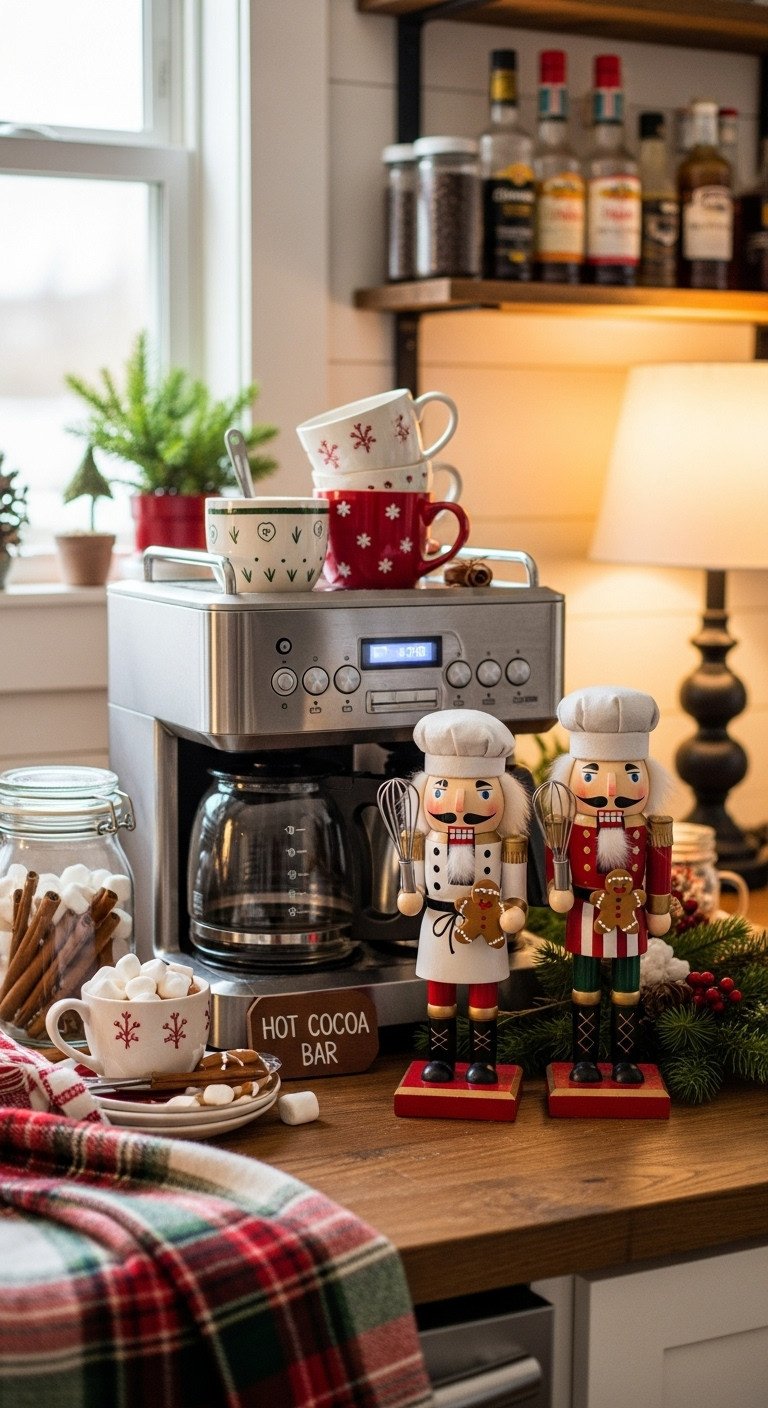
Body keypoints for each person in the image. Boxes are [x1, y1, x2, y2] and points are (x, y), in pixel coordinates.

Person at [544, 685, 673, 1085]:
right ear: (571, 776)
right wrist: (557, 886)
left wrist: (659, 907)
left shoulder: (651, 828)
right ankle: (584, 1059)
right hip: (584, 911)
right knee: (584, 989)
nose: (612, 789)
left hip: (631, 916)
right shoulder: (567, 825)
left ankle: (624, 1060)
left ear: (649, 778)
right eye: (593, 775)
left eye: (630, 774)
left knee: (627, 991)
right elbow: (555, 854)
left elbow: (660, 866)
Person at [396, 709, 530, 1084]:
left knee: (484, 999)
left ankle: (482, 1061)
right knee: (439, 998)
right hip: (437, 926)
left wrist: (515, 910)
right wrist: (411, 894)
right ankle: (440, 1060)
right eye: (441, 789)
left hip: (488, 929)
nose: (458, 805)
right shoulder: (423, 842)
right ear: (424, 792)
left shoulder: (508, 845)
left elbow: (516, 893)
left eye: (481, 791)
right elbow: (415, 889)